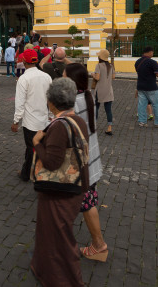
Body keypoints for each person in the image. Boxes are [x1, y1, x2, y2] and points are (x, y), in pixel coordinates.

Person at [30, 77, 90, 286]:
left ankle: (67, 279)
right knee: (53, 233)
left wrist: (37, 143)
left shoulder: (58, 126)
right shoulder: (78, 120)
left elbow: (52, 162)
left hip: (60, 190)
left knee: (61, 238)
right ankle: (46, 270)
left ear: (52, 102)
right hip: (75, 186)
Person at [65, 63, 108, 261]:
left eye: (64, 77)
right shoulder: (87, 95)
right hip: (90, 160)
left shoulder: (74, 103)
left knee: (87, 203)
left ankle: (99, 245)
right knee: (84, 202)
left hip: (81, 163)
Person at [11, 48, 53, 181]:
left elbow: (20, 103)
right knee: (38, 147)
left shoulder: (24, 78)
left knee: (31, 149)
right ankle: (29, 171)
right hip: (44, 119)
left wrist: (16, 121)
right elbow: (51, 98)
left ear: (23, 61)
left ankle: (30, 173)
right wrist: (51, 115)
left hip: (30, 122)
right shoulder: (46, 76)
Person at [135, 46, 158, 128]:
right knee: (157, 104)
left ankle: (142, 122)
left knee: (142, 105)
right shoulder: (153, 62)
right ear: (150, 52)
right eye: (152, 52)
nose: (152, 54)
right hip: (151, 87)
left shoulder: (137, 62)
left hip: (140, 86)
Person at [93, 49, 115, 136]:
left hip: (100, 90)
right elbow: (113, 77)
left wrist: (92, 75)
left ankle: (93, 126)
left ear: (100, 57)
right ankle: (109, 128)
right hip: (109, 90)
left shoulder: (98, 65)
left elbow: (97, 78)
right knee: (108, 110)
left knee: (96, 108)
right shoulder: (111, 66)